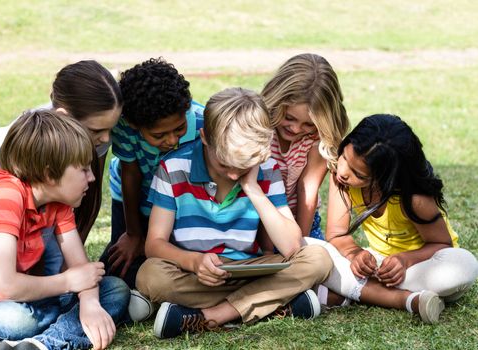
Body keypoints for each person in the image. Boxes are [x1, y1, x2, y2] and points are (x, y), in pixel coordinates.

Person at [135, 87, 333, 339]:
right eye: (224, 163)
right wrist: (194, 262)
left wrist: (252, 187)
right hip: (193, 273)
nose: (232, 174)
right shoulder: (173, 168)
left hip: (249, 270)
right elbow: (154, 245)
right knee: (149, 276)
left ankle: (212, 316)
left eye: (243, 166)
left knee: (317, 258)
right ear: (205, 137)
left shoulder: (265, 168)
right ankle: (277, 304)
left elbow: (292, 246)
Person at [0, 110, 130, 350]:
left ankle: (39, 345)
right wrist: (69, 282)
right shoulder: (3, 196)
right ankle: (56, 328)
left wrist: (89, 303)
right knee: (19, 320)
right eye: (83, 169)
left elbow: (81, 269)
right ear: (49, 174)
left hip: (19, 296)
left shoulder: (59, 202)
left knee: (114, 290)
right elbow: (4, 286)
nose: (91, 178)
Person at [324, 114, 478, 323]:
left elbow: (442, 244)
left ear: (386, 178)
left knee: (462, 265)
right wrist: (355, 254)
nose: (342, 172)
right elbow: (336, 234)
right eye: (343, 157)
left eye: (359, 175)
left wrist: (404, 260)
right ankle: (404, 297)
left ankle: (359, 290)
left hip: (419, 267)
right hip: (378, 263)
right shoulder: (341, 180)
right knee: (313, 250)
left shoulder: (413, 198)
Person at [0, 60, 123, 243]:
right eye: (96, 131)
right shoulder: (28, 142)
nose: (107, 139)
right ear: (63, 116)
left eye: (111, 129)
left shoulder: (97, 130)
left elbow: (90, 199)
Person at [102, 58, 204, 293]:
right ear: (135, 124)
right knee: (120, 270)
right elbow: (131, 174)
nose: (171, 141)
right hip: (134, 201)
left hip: (182, 204)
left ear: (186, 107)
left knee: (176, 261)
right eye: (159, 135)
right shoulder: (123, 127)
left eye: (179, 129)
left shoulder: (202, 122)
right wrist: (133, 233)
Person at [261, 53, 350, 240]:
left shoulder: (317, 138)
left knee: (315, 264)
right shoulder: (258, 125)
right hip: (255, 223)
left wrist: (300, 241)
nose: (295, 129)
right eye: (289, 118)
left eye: (308, 124)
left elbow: (307, 190)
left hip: (300, 221)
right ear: (276, 101)